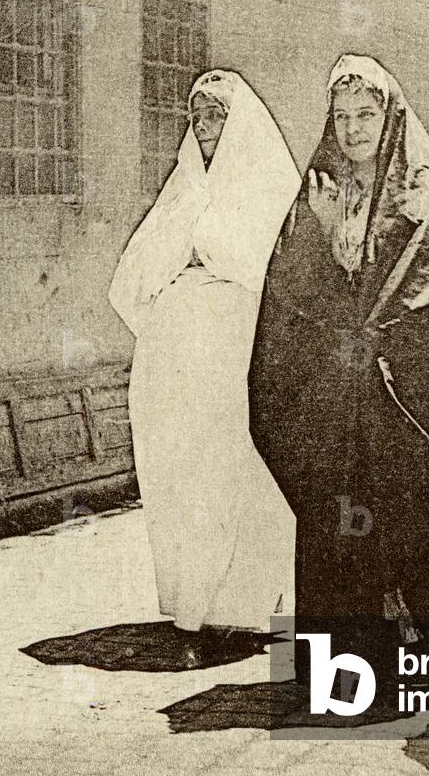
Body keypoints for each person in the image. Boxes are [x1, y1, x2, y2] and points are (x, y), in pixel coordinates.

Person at [248, 54, 429, 700]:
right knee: (345, 533)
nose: (352, 129)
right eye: (340, 117)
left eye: (365, 114)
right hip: (340, 415)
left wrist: (391, 339)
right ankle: (352, 677)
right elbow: (285, 303)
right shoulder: (317, 193)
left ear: (389, 116)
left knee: (424, 532)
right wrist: (326, 248)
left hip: (407, 412)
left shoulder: (423, 196)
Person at [108, 69, 300, 666]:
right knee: (185, 475)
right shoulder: (184, 190)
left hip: (239, 360)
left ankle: (250, 604)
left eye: (216, 115)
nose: (206, 127)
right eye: (197, 117)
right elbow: (135, 278)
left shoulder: (269, 188)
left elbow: (279, 275)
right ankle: (195, 602)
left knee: (242, 474)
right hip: (177, 367)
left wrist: (207, 260)